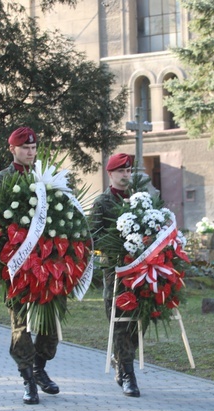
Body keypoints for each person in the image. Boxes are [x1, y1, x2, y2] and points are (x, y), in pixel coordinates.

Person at [0, 126, 60, 405]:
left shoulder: (44, 176)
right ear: (13, 150)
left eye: (33, 148)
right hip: (17, 264)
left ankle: (40, 367)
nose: (30, 152)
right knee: (20, 324)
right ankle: (28, 380)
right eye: (25, 148)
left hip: (45, 263)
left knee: (49, 324)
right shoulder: (2, 180)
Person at [90, 153, 147, 397]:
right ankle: (127, 373)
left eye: (129, 171)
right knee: (120, 320)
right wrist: (117, 244)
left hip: (142, 270)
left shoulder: (140, 199)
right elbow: (92, 235)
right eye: (121, 171)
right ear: (110, 174)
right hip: (115, 272)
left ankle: (121, 358)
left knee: (140, 319)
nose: (126, 175)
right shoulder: (102, 202)